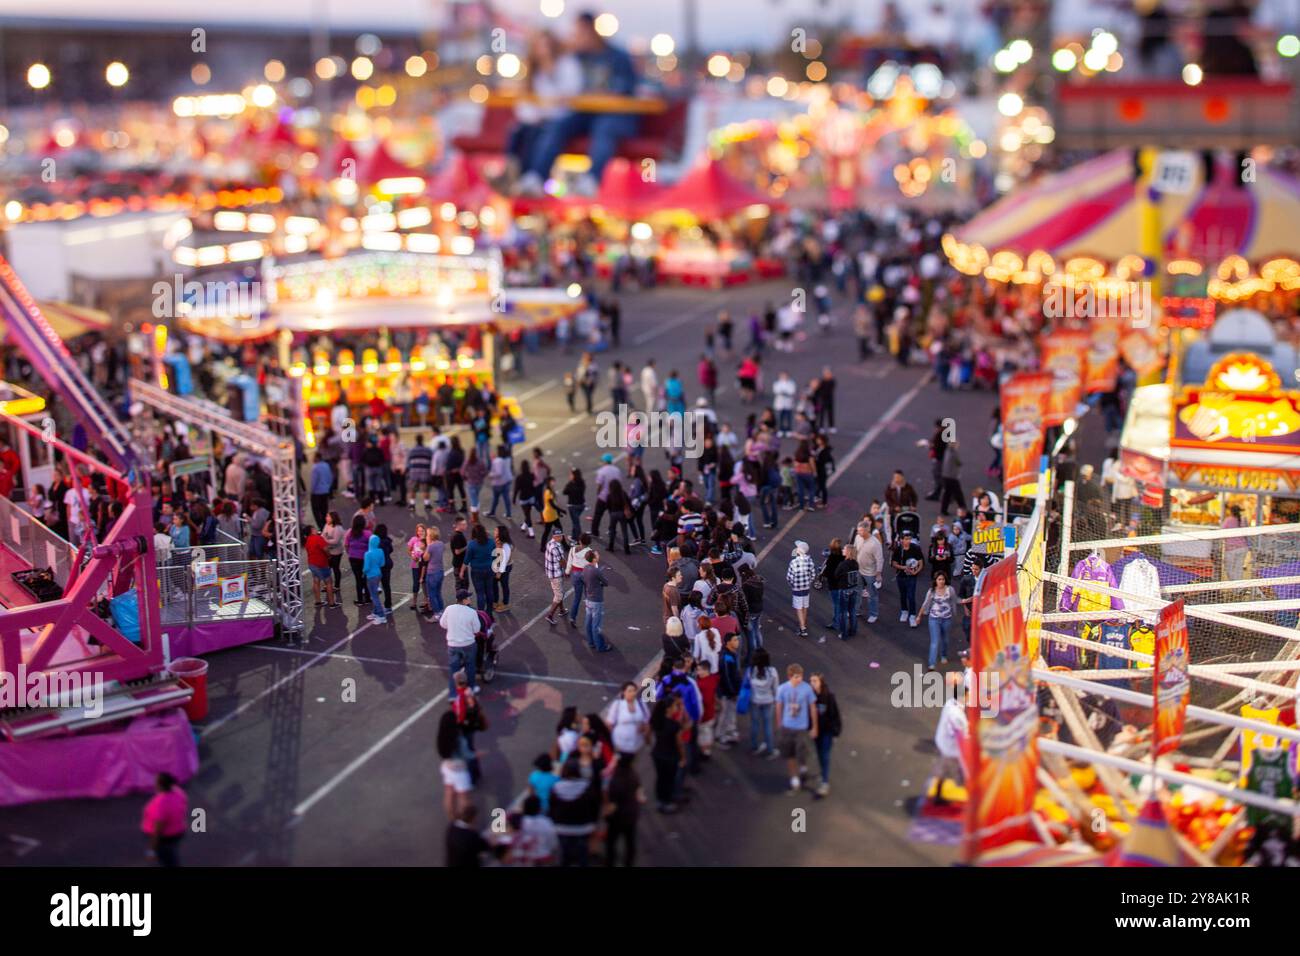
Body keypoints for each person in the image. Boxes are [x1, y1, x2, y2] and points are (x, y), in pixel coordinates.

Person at [506, 30, 584, 176]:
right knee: (518, 132)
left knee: (544, 133)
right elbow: (525, 103)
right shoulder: (531, 71)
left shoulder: (567, 64)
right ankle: (513, 173)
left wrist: (551, 73)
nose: (543, 51)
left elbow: (570, 96)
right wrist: (534, 117)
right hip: (536, 119)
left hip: (560, 118)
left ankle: (533, 176)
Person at [548, 759, 602, 866]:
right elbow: (594, 806)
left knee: (563, 857)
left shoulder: (556, 787)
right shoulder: (587, 786)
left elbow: (552, 807)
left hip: (561, 827)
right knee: (583, 857)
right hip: (583, 827)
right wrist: (593, 823)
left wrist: (554, 821)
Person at [775, 663, 819, 794]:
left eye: (800, 676)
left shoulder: (806, 689)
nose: (799, 679)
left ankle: (804, 768)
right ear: (789, 676)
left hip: (801, 727)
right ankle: (794, 780)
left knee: (802, 752)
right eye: (796, 677)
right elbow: (778, 706)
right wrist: (779, 724)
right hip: (787, 726)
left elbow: (812, 708)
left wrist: (815, 727)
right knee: (790, 754)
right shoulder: (782, 689)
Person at [650, 692, 687, 813]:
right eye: (675, 706)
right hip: (670, 756)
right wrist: (682, 757)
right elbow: (679, 743)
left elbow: (647, 734)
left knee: (661, 778)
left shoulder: (656, 720)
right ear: (669, 708)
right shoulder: (674, 725)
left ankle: (661, 800)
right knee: (669, 779)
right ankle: (666, 802)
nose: (677, 708)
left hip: (657, 754)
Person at [140, 772, 188, 867]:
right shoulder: (178, 793)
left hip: (165, 838)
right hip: (178, 831)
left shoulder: (161, 804)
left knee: (169, 861)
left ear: (160, 786)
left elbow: (158, 830)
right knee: (171, 853)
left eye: (156, 782)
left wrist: (151, 850)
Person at [603, 757, 643, 867]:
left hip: (617, 817)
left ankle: (610, 862)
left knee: (611, 842)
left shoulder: (615, 781)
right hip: (631, 815)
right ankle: (629, 862)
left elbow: (613, 804)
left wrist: (606, 813)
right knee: (630, 842)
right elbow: (640, 795)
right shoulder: (634, 777)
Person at [440, 589, 481, 694]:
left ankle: (453, 694)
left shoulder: (449, 609)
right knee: (470, 666)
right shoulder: (472, 612)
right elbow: (477, 629)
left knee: (454, 670)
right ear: (465, 600)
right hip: (468, 644)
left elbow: (443, 624)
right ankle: (471, 688)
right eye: (468, 597)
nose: (470, 599)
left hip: (453, 644)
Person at [809, 673, 841, 798]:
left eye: (815, 681)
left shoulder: (828, 697)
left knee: (825, 754)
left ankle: (825, 782)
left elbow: (835, 715)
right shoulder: (810, 696)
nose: (812, 683)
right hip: (816, 732)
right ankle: (823, 773)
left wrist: (835, 732)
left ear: (821, 682)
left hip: (827, 732)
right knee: (819, 754)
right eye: (811, 681)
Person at [919, 570, 956, 670]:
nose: (941, 581)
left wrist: (955, 613)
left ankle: (944, 655)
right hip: (934, 619)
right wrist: (919, 616)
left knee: (945, 639)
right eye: (939, 579)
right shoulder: (932, 591)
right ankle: (932, 664)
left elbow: (954, 601)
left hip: (946, 618)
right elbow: (925, 603)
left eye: (943, 579)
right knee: (935, 641)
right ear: (935, 580)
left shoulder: (950, 590)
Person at [605, 681, 651, 757]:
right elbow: (609, 724)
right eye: (630, 691)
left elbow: (647, 722)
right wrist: (611, 743)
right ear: (624, 692)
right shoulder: (617, 705)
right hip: (620, 745)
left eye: (634, 691)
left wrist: (647, 736)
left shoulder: (641, 704)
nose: (633, 693)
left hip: (637, 745)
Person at [581, 549, 613, 652]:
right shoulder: (595, 570)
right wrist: (599, 584)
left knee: (588, 621)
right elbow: (606, 582)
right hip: (597, 599)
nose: (598, 555)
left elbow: (584, 580)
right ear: (594, 559)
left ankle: (591, 642)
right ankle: (600, 646)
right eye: (597, 555)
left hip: (589, 598)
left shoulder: (585, 568)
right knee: (597, 624)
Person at [891, 529, 925, 627]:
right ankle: (904, 611)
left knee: (911, 596)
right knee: (903, 595)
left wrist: (915, 572)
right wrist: (904, 568)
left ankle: (912, 616)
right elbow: (894, 563)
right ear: (901, 540)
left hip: (912, 577)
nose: (908, 541)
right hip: (901, 576)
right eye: (906, 539)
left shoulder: (916, 548)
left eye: (909, 539)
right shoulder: (898, 549)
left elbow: (921, 563)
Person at [716, 632, 742, 748]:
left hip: (732, 691)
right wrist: (732, 692)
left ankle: (730, 731)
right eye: (735, 640)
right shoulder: (726, 658)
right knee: (724, 713)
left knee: (730, 712)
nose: (737, 642)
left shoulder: (732, 654)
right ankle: (720, 736)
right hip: (727, 692)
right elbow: (726, 677)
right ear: (728, 643)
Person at [786, 540, 815, 638]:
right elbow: (813, 575)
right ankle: (804, 623)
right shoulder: (810, 561)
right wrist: (808, 582)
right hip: (806, 587)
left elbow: (789, 577)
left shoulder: (794, 562)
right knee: (804, 606)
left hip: (797, 588)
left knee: (798, 607)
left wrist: (792, 585)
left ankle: (802, 628)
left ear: (800, 550)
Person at [304, 525, 338, 608]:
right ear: (312, 530)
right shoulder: (318, 538)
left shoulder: (307, 540)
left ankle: (318, 601)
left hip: (312, 563)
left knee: (316, 581)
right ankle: (332, 603)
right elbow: (325, 549)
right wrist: (329, 556)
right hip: (321, 564)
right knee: (329, 583)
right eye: (314, 528)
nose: (316, 529)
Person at [833, 544, 861, 641]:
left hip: (844, 589)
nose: (842, 550)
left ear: (848, 551)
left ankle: (844, 633)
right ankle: (853, 630)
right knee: (852, 610)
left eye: (844, 549)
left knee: (843, 612)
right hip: (853, 589)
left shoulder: (842, 564)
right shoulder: (855, 563)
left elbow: (836, 575)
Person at [465, 523, 495, 611]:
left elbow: (467, 559)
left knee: (480, 593)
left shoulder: (472, 544)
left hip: (477, 571)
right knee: (489, 591)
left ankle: (481, 614)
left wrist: (462, 571)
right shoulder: (491, 542)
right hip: (489, 569)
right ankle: (489, 613)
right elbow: (495, 556)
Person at [543, 528, 568, 625]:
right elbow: (562, 561)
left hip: (551, 572)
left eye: (560, 536)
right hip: (556, 574)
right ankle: (550, 615)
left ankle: (562, 610)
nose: (560, 538)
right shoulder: (557, 547)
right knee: (558, 595)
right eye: (558, 536)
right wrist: (567, 570)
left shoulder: (550, 543)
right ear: (554, 536)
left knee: (559, 592)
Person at [345, 514, 372, 605]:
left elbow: (346, 545)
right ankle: (368, 598)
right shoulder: (367, 533)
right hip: (364, 559)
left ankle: (360, 599)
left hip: (353, 558)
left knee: (358, 579)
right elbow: (372, 546)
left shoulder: (349, 532)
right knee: (365, 578)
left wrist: (349, 552)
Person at [363, 534, 388, 624]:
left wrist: (363, 572)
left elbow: (366, 568)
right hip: (378, 574)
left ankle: (381, 616)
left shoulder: (367, 554)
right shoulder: (380, 551)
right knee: (375, 594)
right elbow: (382, 564)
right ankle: (375, 612)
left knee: (374, 596)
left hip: (371, 576)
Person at [423, 526, 446, 615]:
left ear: (431, 536)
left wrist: (428, 546)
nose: (426, 536)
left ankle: (436, 613)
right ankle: (441, 610)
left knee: (432, 595)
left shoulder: (431, 546)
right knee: (438, 593)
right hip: (440, 570)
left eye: (427, 534)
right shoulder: (441, 544)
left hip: (432, 573)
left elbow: (425, 558)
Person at [492, 525, 514, 612]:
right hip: (497, 566)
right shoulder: (498, 541)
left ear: (500, 533)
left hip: (504, 568)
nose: (494, 532)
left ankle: (505, 603)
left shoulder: (506, 545)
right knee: (494, 584)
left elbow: (504, 560)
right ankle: (495, 601)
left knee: (504, 584)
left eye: (496, 531)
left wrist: (499, 572)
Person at [322, 511, 346, 593]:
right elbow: (323, 535)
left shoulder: (338, 528)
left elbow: (335, 541)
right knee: (327, 568)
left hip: (336, 552)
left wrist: (325, 540)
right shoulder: (326, 525)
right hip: (328, 551)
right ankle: (328, 584)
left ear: (333, 518)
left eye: (328, 516)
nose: (326, 518)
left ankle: (337, 585)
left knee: (335, 568)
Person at [487, 446, 513, 518]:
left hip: (499, 483)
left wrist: (490, 475)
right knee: (506, 499)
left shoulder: (498, 460)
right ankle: (508, 514)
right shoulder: (508, 458)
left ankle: (492, 512)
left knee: (495, 498)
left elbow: (498, 473)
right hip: (507, 480)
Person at [309, 455, 332, 528]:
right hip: (325, 491)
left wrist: (311, 491)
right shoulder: (326, 465)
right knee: (324, 510)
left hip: (317, 492)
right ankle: (326, 525)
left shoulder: (315, 467)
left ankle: (321, 527)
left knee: (316, 510)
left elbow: (314, 481)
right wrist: (328, 487)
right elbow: (330, 477)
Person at [562, 468, 586, 540]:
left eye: (571, 474)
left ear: (574, 475)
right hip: (581, 505)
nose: (570, 475)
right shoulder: (582, 482)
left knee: (576, 523)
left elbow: (564, 492)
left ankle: (578, 539)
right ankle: (574, 536)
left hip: (573, 506)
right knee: (575, 521)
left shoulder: (571, 484)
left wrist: (569, 483)